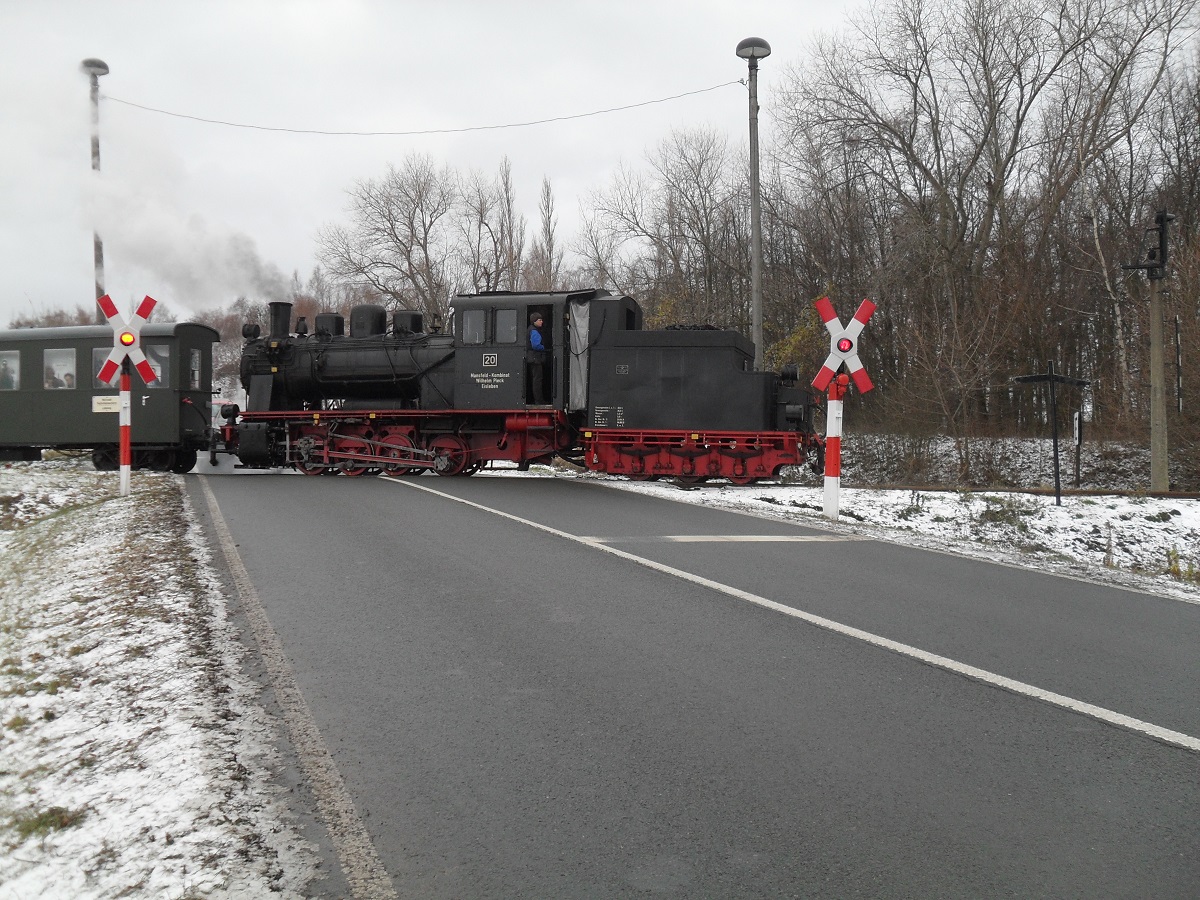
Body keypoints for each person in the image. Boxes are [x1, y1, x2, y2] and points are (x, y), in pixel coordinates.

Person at [527, 312, 548, 404]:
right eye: (539, 320)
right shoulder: (534, 331)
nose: (541, 322)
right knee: (537, 380)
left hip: (533, 358)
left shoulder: (531, 329)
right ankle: (539, 400)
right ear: (534, 321)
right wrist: (544, 348)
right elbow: (536, 345)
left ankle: (538, 400)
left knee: (536, 379)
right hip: (536, 358)